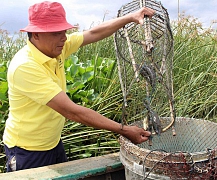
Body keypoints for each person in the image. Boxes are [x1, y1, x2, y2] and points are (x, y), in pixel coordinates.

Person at [3, 1, 154, 172]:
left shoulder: (55, 48)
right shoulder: (25, 66)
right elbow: (72, 111)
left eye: (64, 32)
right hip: (27, 150)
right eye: (56, 33)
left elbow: (93, 32)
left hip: (52, 143)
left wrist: (130, 18)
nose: (64, 38)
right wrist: (124, 130)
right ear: (36, 35)